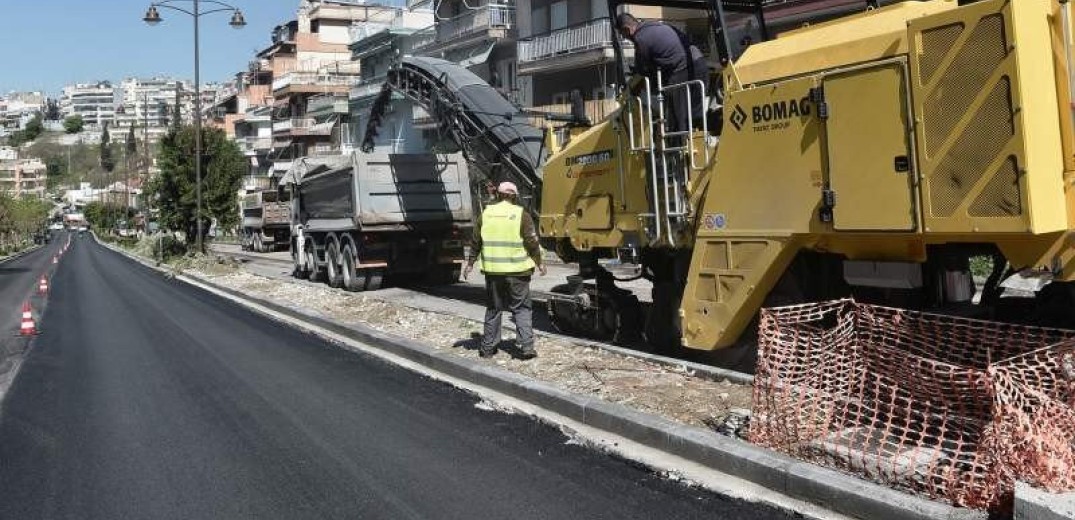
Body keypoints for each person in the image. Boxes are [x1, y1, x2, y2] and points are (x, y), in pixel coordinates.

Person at [463, 181, 547, 360]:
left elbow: (476, 241)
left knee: (494, 309)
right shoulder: (520, 214)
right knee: (522, 309)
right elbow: (531, 242)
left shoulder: (486, 214)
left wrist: (470, 263)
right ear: (514, 196)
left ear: (499, 195)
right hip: (518, 272)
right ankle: (526, 348)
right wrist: (539, 262)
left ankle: (487, 349)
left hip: (493, 273)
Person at [616, 12, 709, 135]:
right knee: (695, 112)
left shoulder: (641, 39)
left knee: (676, 116)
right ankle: (699, 139)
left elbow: (641, 72)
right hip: (700, 63)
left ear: (627, 29)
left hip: (682, 69)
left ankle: (680, 149)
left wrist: (633, 90)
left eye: (624, 35)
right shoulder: (655, 25)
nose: (626, 38)